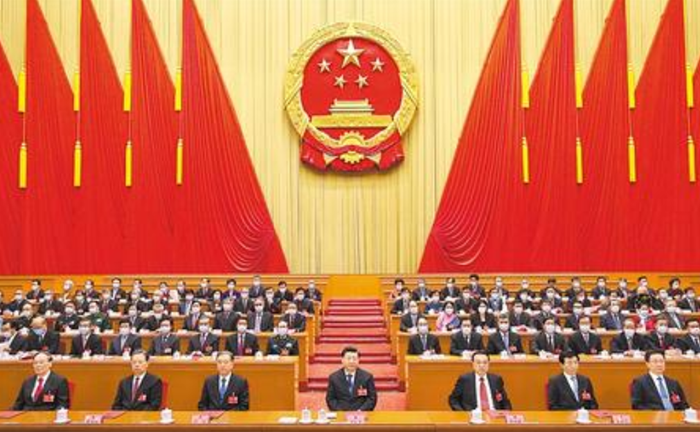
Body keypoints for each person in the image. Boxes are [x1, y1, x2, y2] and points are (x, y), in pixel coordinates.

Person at [326, 346, 377, 411]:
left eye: (354, 359)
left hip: (361, 414)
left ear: (358, 360)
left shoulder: (367, 377)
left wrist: (361, 411)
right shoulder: (334, 377)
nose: (351, 361)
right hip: (341, 413)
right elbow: (330, 399)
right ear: (342, 360)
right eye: (348, 358)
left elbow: (372, 398)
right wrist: (340, 412)